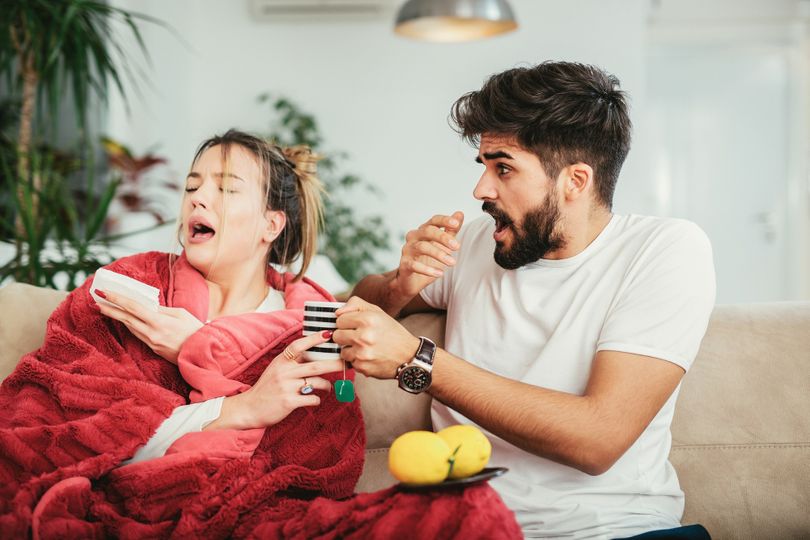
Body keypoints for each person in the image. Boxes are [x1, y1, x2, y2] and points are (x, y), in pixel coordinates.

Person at [0, 129, 521, 538]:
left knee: (468, 512)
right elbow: (57, 429)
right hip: (122, 501)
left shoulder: (313, 317)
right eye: (192, 187)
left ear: (271, 226)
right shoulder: (132, 288)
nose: (198, 200)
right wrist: (242, 408)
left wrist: (199, 350)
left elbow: (320, 464)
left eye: (225, 189)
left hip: (261, 517)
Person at [334, 61, 716, 539]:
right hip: (472, 528)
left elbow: (597, 440)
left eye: (504, 168)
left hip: (619, 531)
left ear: (575, 181)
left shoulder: (664, 250)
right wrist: (400, 284)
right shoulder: (478, 243)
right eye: (484, 167)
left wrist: (419, 361)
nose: (481, 190)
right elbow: (357, 302)